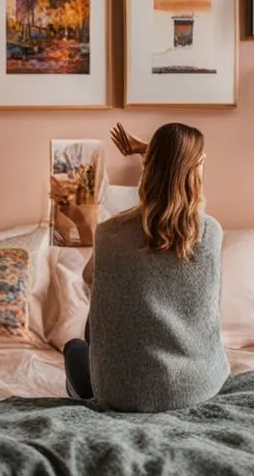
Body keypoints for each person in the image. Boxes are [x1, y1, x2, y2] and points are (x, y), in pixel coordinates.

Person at [63, 123, 229, 412]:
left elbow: (90, 278)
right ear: (196, 169)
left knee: (76, 347)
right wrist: (153, 153)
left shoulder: (109, 234)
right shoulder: (209, 233)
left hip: (123, 396)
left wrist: (154, 155)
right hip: (198, 388)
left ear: (149, 169)